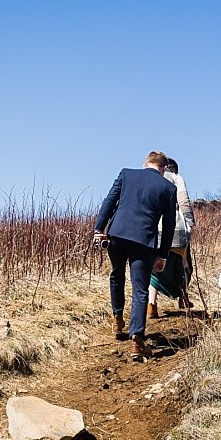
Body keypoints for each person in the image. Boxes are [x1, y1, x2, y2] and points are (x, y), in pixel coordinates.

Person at [93, 151, 178, 358]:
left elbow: (109, 202)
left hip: (117, 235)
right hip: (144, 241)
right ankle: (137, 341)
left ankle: (117, 318)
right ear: (164, 168)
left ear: (145, 164)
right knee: (140, 289)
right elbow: (169, 225)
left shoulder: (126, 174)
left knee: (116, 275)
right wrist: (164, 255)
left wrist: (98, 229)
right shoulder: (168, 187)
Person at [149, 157, 196, 316]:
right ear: (174, 169)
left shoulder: (153, 179)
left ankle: (151, 304)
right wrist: (190, 222)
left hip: (156, 228)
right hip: (175, 227)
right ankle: (183, 298)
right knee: (183, 263)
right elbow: (184, 202)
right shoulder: (177, 178)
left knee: (154, 268)